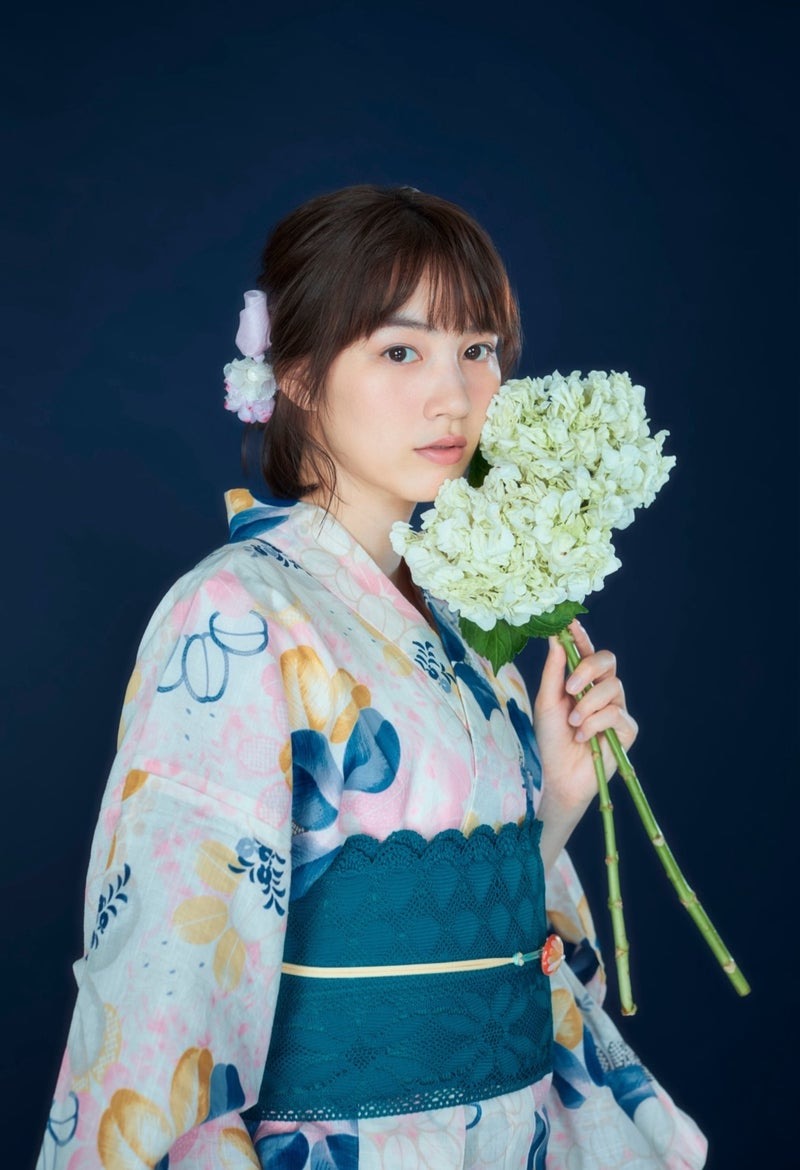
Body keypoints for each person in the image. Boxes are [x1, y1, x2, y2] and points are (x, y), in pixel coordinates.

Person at [37, 184, 707, 1169]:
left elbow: (493, 951)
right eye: (401, 352)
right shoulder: (235, 612)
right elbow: (167, 981)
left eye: (477, 349)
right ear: (298, 374)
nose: (455, 397)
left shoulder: (462, 619)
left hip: (509, 1130)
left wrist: (558, 798)